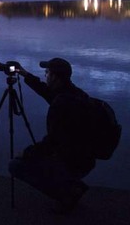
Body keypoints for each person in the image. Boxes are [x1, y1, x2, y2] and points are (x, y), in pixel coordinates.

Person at [8, 58, 94, 213]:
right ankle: (69, 182)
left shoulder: (62, 104)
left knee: (16, 166)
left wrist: (26, 153)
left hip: (74, 161)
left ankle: (68, 192)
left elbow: (53, 142)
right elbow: (45, 91)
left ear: (54, 77)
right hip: (86, 158)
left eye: (47, 73)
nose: (45, 75)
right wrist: (23, 73)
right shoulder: (73, 93)